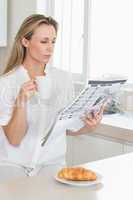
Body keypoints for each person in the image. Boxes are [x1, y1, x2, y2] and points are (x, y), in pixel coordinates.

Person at [0, 14, 103, 179]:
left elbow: (66, 128)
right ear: (25, 42)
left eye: (53, 41)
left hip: (52, 166)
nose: (50, 48)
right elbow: (14, 139)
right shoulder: (6, 83)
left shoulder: (63, 79)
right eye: (44, 41)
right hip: (13, 167)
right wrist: (21, 102)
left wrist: (89, 127)